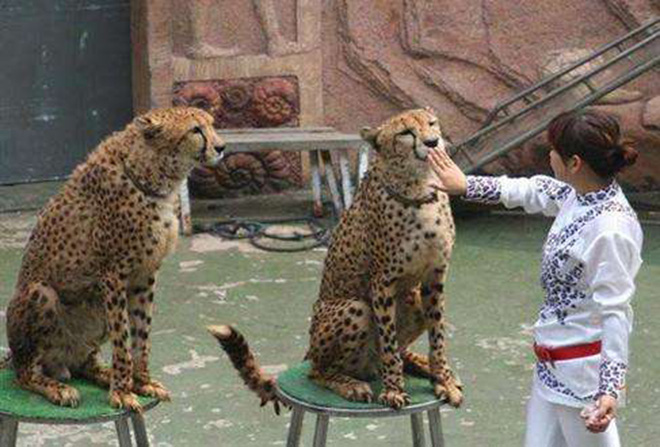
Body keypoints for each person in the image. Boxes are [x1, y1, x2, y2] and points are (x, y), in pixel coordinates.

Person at [428, 109, 643, 447]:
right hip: (551, 364)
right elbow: (533, 191)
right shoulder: (580, 196)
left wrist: (609, 390)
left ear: (573, 163)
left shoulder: (611, 229)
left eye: (553, 150)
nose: (549, 156)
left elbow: (616, 312)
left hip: (582, 378)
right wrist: (466, 185)